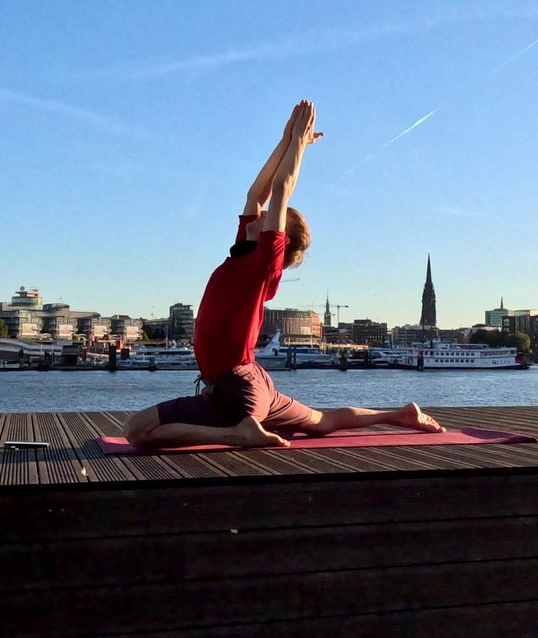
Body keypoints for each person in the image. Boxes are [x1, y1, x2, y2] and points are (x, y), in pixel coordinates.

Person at [122, 100, 442, 450]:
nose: (262, 214)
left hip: (236, 390)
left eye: (275, 217)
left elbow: (280, 188)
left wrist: (299, 146)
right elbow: (255, 193)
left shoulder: (262, 263)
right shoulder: (243, 252)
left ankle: (238, 433)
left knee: (136, 432)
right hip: (252, 384)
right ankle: (400, 414)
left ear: (278, 241)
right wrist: (286, 138)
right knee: (324, 421)